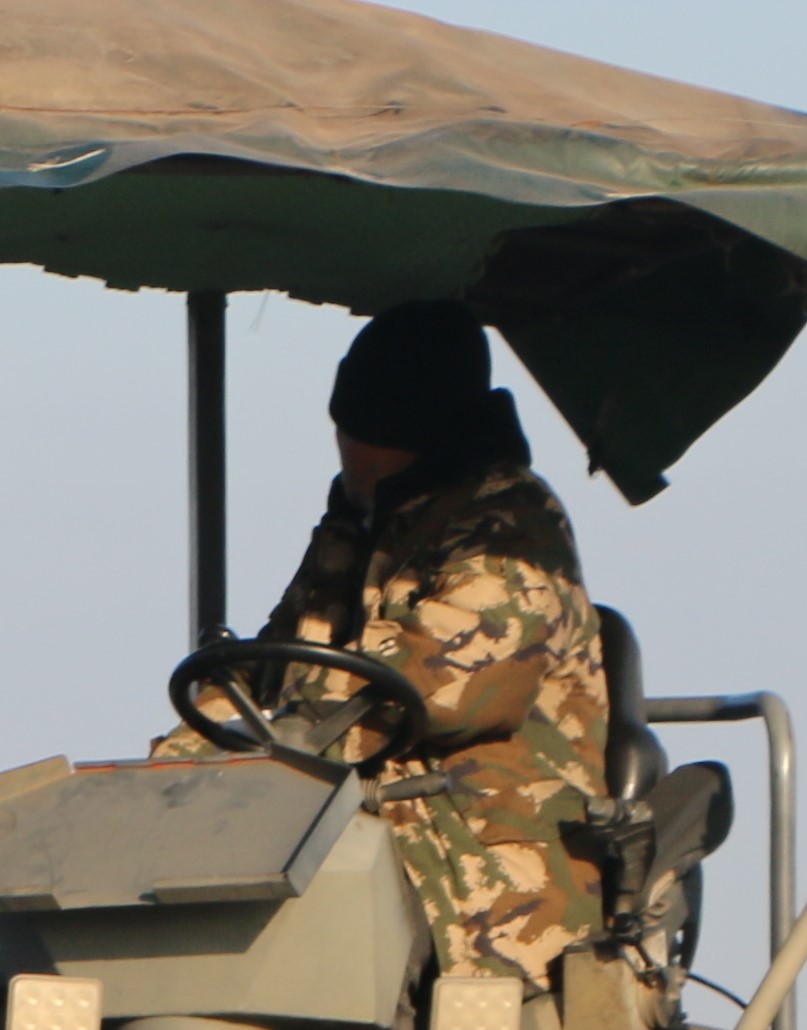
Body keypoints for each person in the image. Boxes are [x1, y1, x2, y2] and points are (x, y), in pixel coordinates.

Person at [184, 304, 613, 991]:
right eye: (346, 433)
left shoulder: (512, 529)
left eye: (366, 438)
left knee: (339, 945)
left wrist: (272, 754)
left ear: (419, 437)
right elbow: (270, 670)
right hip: (339, 829)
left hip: (480, 870)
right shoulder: (357, 528)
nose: (349, 454)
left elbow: (444, 690)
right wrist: (183, 765)